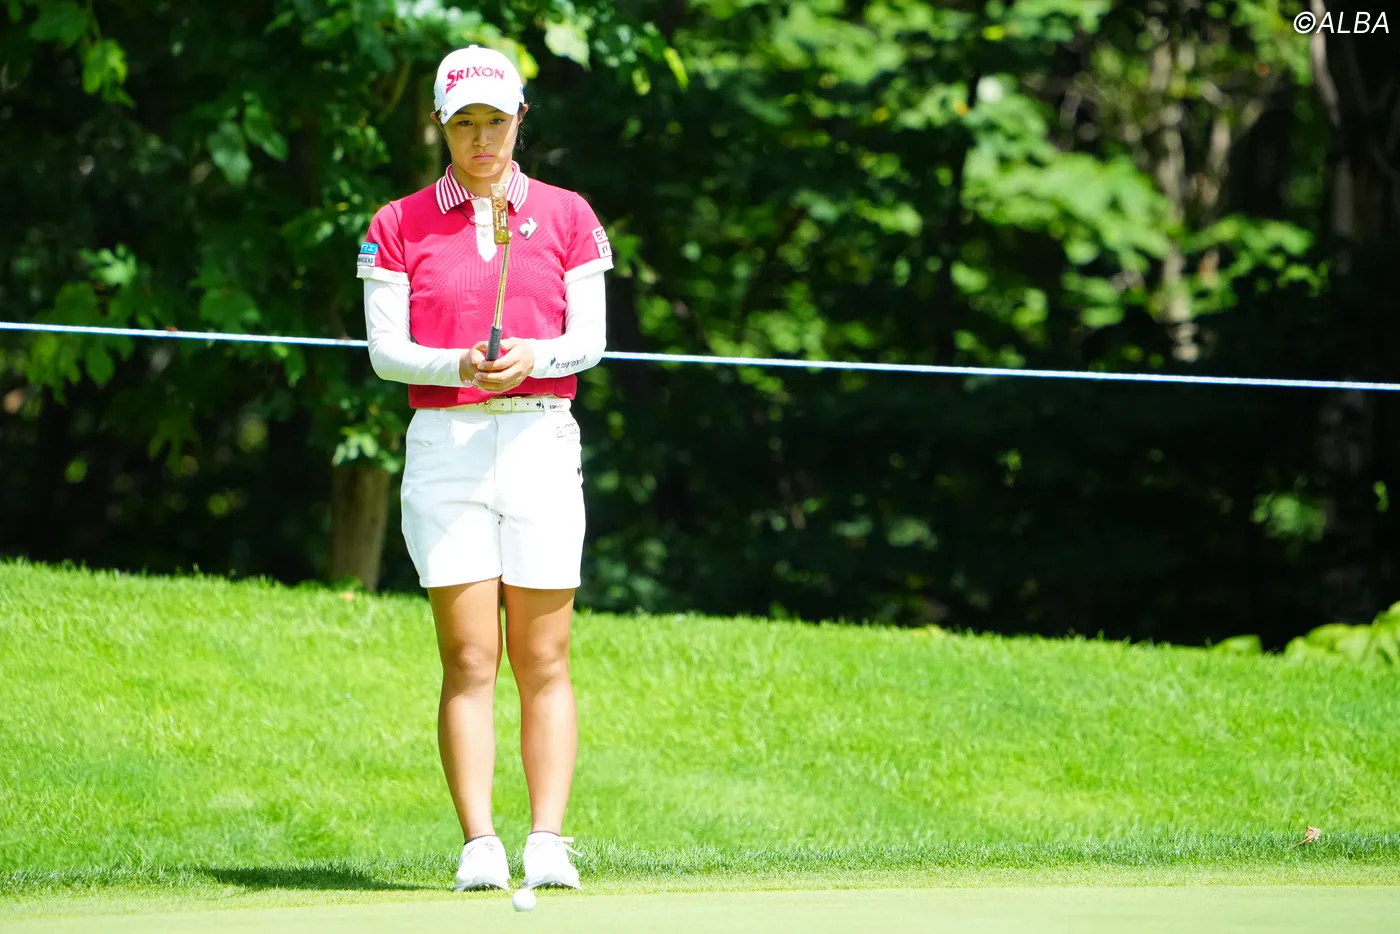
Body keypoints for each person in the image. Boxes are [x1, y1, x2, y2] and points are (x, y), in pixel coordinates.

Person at [355, 44, 612, 894]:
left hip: (540, 438)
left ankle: (548, 841)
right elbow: (387, 353)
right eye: (463, 121)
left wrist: (533, 355)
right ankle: (480, 845)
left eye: (495, 121)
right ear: (440, 123)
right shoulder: (397, 223)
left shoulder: (568, 214)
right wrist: (458, 365)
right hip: (447, 445)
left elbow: (589, 341)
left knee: (545, 656)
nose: (480, 138)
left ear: (519, 120)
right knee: (469, 658)